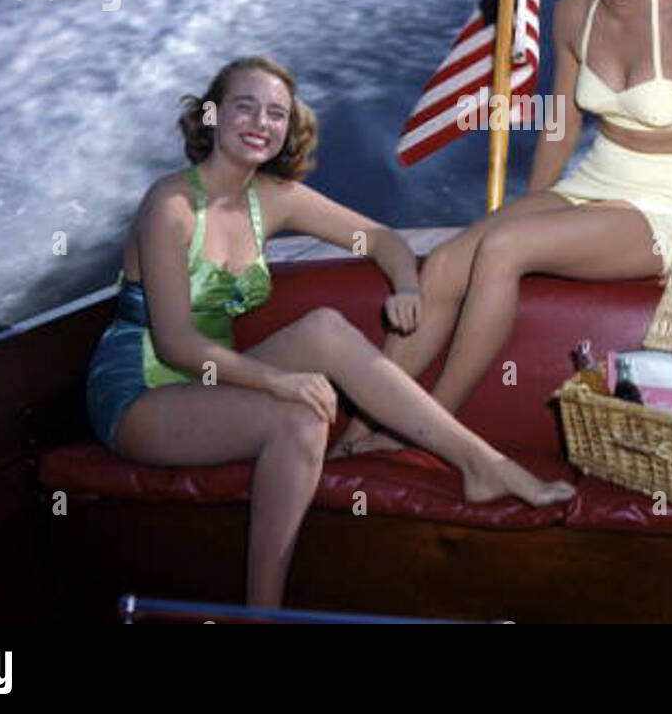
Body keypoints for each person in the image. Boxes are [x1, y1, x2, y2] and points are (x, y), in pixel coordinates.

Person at [85, 56, 575, 608]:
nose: (260, 122)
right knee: (300, 417)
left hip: (212, 381)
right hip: (143, 391)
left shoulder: (273, 200)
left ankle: (481, 464)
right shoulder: (170, 204)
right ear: (211, 115)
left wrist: (407, 288)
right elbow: (175, 342)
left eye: (275, 113)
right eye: (245, 106)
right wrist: (278, 381)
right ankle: (263, 614)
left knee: (325, 329)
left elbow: (381, 238)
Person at [330, 0, 672, 459]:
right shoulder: (573, 12)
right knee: (445, 264)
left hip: (668, 202)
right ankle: (360, 429)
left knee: (503, 250)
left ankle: (428, 429)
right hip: (598, 177)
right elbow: (562, 125)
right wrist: (532, 205)